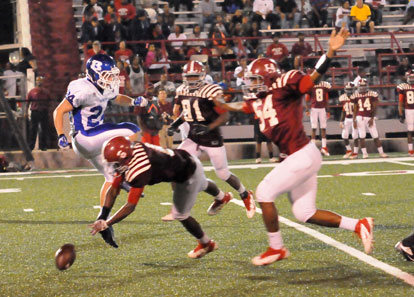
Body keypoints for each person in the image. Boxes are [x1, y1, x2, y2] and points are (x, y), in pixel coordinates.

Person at [212, 28, 375, 266]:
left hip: (301, 154)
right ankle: (359, 224)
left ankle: (276, 247)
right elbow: (242, 107)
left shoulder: (283, 85)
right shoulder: (259, 100)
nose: (251, 85)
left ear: (267, 78)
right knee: (304, 212)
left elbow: (310, 81)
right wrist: (221, 104)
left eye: (255, 80)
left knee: (265, 192)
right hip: (299, 156)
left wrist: (329, 52)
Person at [90, 136, 232, 257]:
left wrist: (107, 224)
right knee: (201, 183)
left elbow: (130, 206)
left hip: (186, 172)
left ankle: (207, 243)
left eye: (116, 162)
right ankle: (222, 197)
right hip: (183, 159)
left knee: (180, 214)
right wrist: (103, 216)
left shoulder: (139, 169)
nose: (115, 166)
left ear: (124, 157)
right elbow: (114, 189)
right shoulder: (134, 148)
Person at [53, 54, 148, 209]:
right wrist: (61, 135)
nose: (111, 79)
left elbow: (116, 98)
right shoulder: (82, 88)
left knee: (111, 178)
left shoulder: (104, 86)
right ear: (94, 74)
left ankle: (103, 219)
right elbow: (59, 111)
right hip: (86, 137)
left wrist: (132, 101)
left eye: (112, 75)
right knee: (133, 129)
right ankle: (127, 170)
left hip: (94, 142)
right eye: (107, 75)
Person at [166, 60, 256, 220]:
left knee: (222, 173)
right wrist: (175, 124)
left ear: (201, 76)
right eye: (189, 77)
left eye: (195, 77)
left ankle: (245, 194)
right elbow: (186, 112)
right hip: (193, 137)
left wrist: (208, 127)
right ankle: (184, 207)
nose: (192, 80)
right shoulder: (181, 90)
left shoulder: (211, 90)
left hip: (211, 137)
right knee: (177, 166)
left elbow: (225, 115)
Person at [351, 79, 388, 159]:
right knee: (362, 136)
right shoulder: (355, 95)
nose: (363, 88)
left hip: (368, 116)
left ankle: (381, 152)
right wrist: (354, 120)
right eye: (361, 86)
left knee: (375, 135)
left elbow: (375, 107)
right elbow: (355, 109)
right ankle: (365, 154)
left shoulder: (372, 94)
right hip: (360, 117)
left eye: (364, 86)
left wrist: (372, 118)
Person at [305, 80, 332, 156]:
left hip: (316, 108)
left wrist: (307, 109)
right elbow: (327, 100)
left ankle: (323, 147)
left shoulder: (311, 86)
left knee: (315, 128)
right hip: (320, 109)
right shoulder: (324, 86)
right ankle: (322, 147)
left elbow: (306, 99)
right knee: (320, 128)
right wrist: (328, 111)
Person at [26, 76, 50, 151]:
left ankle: (43, 146)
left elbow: (49, 102)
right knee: (33, 129)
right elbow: (27, 102)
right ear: (36, 82)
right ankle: (31, 146)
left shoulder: (46, 91)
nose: (39, 82)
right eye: (38, 81)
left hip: (44, 111)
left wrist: (49, 111)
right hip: (35, 111)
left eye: (41, 81)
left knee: (44, 129)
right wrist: (26, 112)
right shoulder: (32, 91)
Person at [339, 82, 359, 159]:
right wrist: (341, 121)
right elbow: (343, 110)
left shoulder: (356, 97)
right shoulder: (342, 98)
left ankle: (355, 152)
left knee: (355, 135)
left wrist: (356, 120)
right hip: (347, 118)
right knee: (344, 135)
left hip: (355, 118)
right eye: (347, 89)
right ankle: (349, 150)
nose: (348, 91)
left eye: (350, 89)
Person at [397, 68, 414, 156]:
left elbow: (400, 102)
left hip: (409, 110)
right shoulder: (403, 87)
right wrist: (401, 113)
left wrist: (400, 113)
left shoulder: (403, 87)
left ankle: (410, 150)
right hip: (409, 110)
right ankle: (410, 150)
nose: (412, 79)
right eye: (411, 78)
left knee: (410, 131)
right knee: (410, 131)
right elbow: (400, 101)